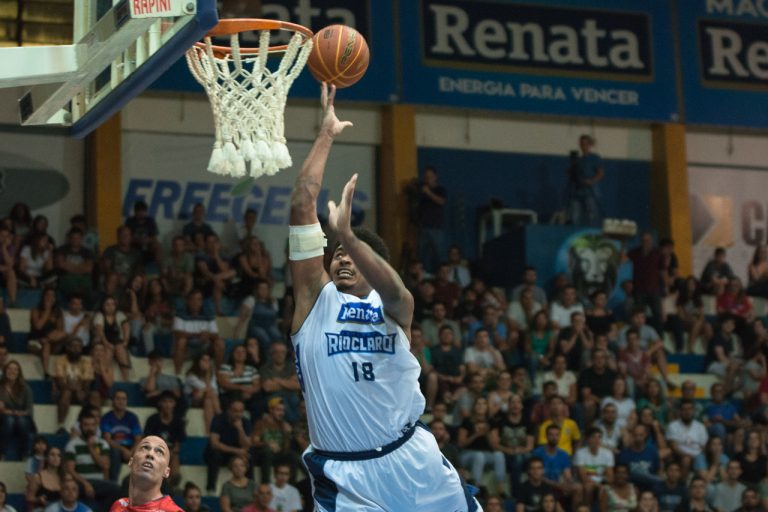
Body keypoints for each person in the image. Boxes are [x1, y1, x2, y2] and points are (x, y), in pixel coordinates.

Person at [289, 84, 478, 511]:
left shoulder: (392, 307)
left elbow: (396, 290)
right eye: (337, 253)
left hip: (411, 461)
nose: (342, 258)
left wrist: (349, 235)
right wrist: (326, 134)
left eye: (351, 255)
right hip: (344, 477)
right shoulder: (314, 301)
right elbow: (302, 202)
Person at [109, 436, 183, 511]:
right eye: (145, 448)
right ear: (131, 462)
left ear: (166, 472)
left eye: (159, 452)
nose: (150, 454)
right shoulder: (118, 505)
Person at [142, 391, 186, 488]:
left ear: (174, 404)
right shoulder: (152, 420)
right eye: (165, 401)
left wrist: (170, 452)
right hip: (155, 451)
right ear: (160, 403)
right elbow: (149, 441)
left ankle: (172, 484)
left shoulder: (178, 421)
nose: (167, 405)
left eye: (170, 402)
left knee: (175, 457)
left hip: (172, 452)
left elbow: (178, 443)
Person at [101, 390, 142, 482]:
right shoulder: (107, 417)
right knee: (115, 452)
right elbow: (107, 439)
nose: (121, 401)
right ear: (113, 401)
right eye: (118, 399)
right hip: (115, 448)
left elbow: (138, 438)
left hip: (131, 448)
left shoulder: (132, 417)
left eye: (124, 399)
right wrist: (123, 450)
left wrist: (131, 451)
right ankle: (113, 483)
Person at [0, 359, 36, 460]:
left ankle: (25, 454)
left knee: (21, 421)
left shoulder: (25, 388)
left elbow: (29, 410)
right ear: (5, 370)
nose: (12, 371)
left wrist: (10, 412)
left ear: (19, 373)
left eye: (15, 369)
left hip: (22, 419)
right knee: (9, 420)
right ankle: (2, 453)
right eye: (9, 369)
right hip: (3, 419)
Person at [565, 134, 604, 226]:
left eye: (585, 144)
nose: (583, 146)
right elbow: (572, 175)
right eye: (581, 144)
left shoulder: (594, 157)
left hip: (590, 192)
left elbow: (600, 173)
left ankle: (591, 231)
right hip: (578, 191)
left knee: (592, 216)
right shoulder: (578, 160)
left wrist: (591, 181)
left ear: (589, 145)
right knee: (575, 216)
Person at [26, 445, 65, 511]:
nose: (56, 458)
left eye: (59, 455)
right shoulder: (37, 477)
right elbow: (29, 497)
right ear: (47, 457)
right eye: (52, 455)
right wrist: (38, 500)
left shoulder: (64, 477)